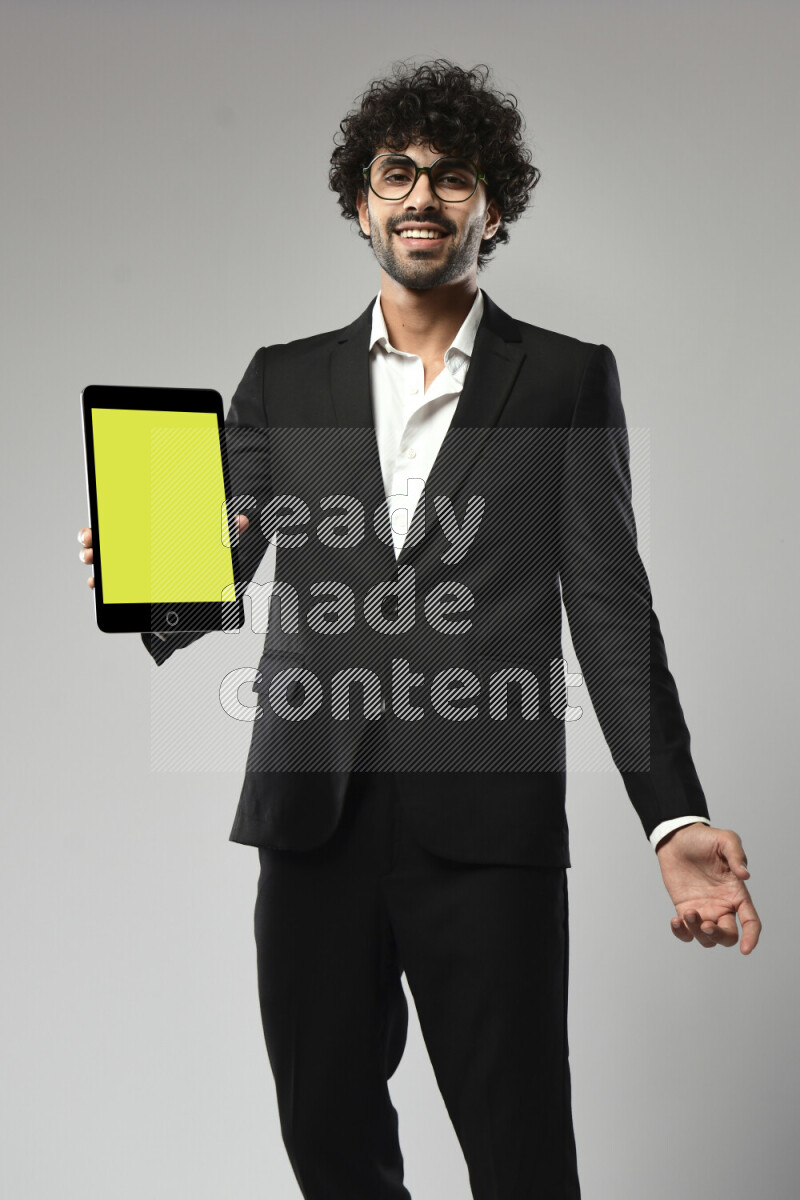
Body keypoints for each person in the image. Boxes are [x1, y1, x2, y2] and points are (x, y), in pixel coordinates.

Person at [77, 59, 761, 1200]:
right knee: (328, 1142)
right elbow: (224, 556)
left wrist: (670, 814)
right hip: (313, 816)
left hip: (484, 825)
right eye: (395, 175)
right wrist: (152, 572)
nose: (421, 198)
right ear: (359, 204)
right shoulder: (281, 380)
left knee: (519, 1150)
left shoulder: (563, 379)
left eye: (451, 178)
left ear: (491, 207)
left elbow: (606, 603)